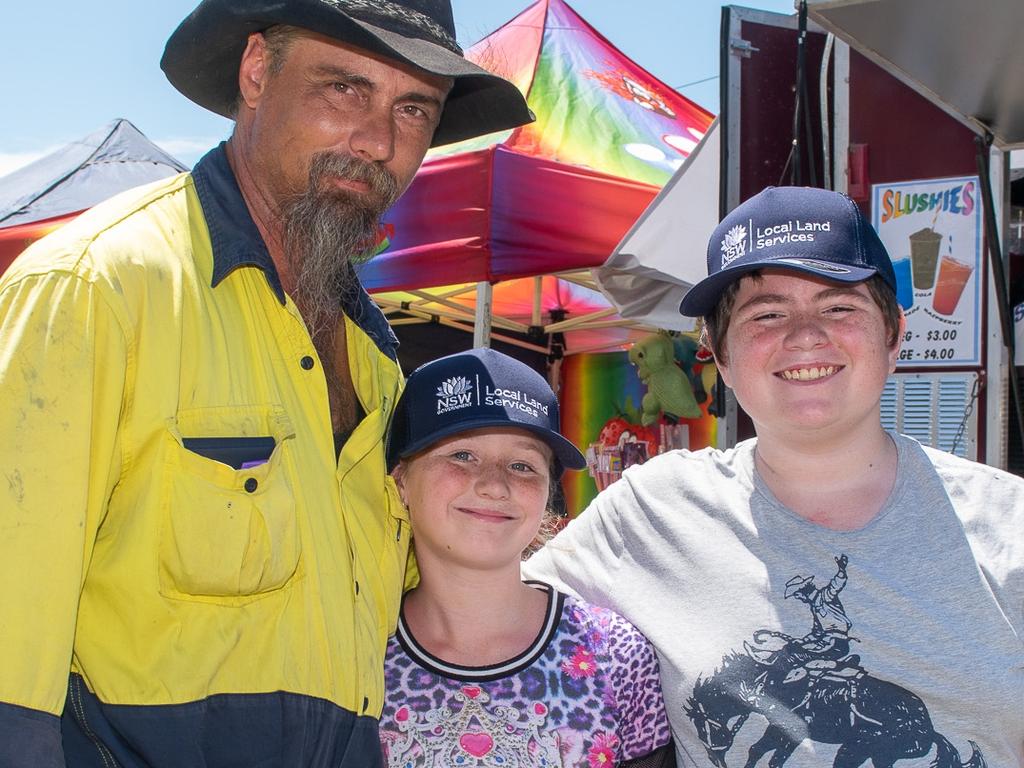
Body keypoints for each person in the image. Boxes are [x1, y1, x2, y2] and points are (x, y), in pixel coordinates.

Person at [0, 2, 533, 766]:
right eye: (345, 88)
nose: (378, 141)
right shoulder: (99, 286)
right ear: (257, 72)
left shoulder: (373, 356)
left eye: (412, 108)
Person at [526, 186, 1024, 767]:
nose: (805, 334)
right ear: (722, 356)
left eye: (840, 307)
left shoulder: (1010, 524)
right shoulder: (653, 510)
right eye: (767, 314)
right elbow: (490, 615)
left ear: (893, 338)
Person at [380, 348, 675, 767]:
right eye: (462, 455)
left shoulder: (617, 656)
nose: (494, 485)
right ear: (400, 481)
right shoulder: (362, 656)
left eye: (522, 465)